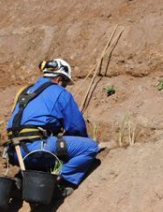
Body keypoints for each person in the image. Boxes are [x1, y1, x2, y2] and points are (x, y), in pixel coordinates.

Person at [6, 58, 100, 198]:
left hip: (14, 152)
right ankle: (62, 182)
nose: (65, 87)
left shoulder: (24, 92)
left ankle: (21, 178)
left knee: (47, 147)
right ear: (59, 79)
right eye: (65, 83)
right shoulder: (60, 92)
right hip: (37, 150)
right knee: (90, 147)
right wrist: (76, 140)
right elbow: (76, 128)